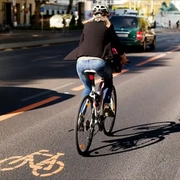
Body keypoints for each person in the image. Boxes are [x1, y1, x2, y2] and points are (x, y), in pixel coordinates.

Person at [65, 4, 129, 114]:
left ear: (93, 14)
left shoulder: (87, 25)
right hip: (98, 62)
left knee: (87, 88)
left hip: (81, 62)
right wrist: (124, 59)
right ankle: (106, 105)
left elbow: (81, 43)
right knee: (108, 81)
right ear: (107, 14)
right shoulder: (108, 26)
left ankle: (81, 115)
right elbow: (116, 45)